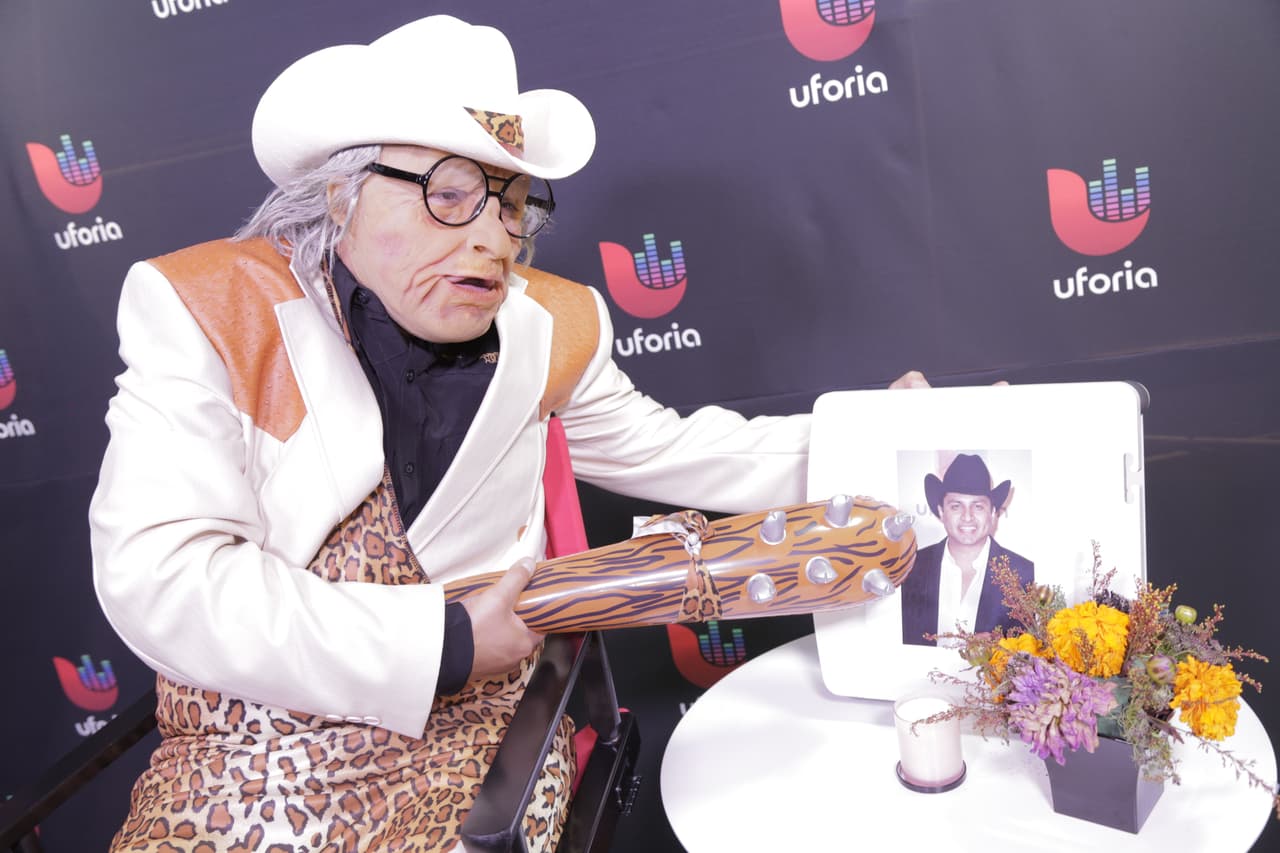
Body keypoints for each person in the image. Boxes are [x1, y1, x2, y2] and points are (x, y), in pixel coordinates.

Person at [87, 15, 927, 852]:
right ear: (341, 192)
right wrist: (441, 640)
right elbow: (162, 578)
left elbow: (677, 451)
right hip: (248, 747)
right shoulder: (205, 308)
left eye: (514, 201)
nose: (494, 237)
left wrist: (879, 437)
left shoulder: (553, 324)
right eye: (448, 193)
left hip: (474, 739)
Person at [900, 453, 1034, 647]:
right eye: (956, 506)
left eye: (978, 506)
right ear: (940, 511)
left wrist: (1004, 649)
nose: (967, 517)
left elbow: (1036, 651)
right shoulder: (910, 568)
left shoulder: (1025, 576)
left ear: (993, 512)